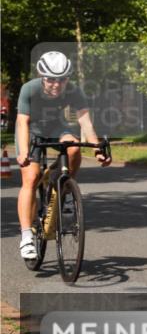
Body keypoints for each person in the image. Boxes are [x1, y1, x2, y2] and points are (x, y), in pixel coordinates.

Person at [15, 51, 111, 260]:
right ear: (41, 76)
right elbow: (22, 122)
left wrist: (97, 149)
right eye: (51, 79)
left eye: (62, 80)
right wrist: (23, 152)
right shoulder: (29, 89)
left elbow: (85, 121)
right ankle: (26, 236)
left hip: (56, 127)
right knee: (31, 177)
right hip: (31, 131)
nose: (56, 85)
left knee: (74, 147)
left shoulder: (75, 91)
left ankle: (65, 188)